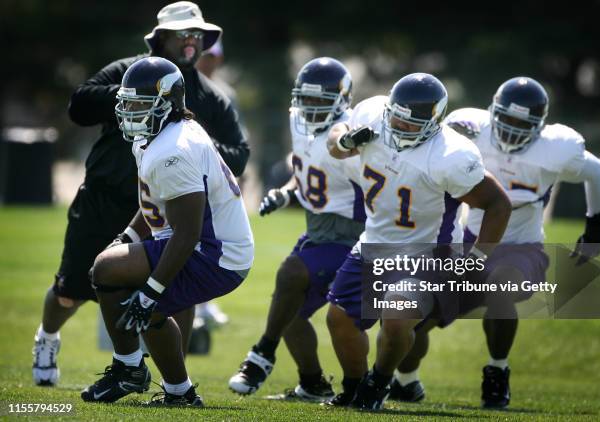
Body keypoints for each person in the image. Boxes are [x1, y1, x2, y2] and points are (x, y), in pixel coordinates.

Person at [32, 1, 249, 386]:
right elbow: (79, 105)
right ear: (160, 36)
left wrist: (197, 145)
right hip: (107, 198)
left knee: (173, 297)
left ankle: (171, 379)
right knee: (72, 289)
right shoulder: (127, 71)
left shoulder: (207, 99)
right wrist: (136, 94)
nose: (191, 40)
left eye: (197, 34)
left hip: (172, 211)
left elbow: (239, 154)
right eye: (183, 32)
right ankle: (48, 339)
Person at [392, 76, 600, 409]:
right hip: (467, 241)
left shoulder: (556, 148)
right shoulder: (469, 129)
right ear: (493, 112)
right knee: (416, 316)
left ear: (539, 125)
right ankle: (406, 382)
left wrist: (594, 228)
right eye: (506, 119)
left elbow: (595, 172)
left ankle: (497, 372)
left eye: (522, 123)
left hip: (522, 246)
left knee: (501, 286)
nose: (511, 129)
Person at [324, 73, 512, 410]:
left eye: (411, 124)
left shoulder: (450, 155)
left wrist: (477, 259)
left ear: (434, 122)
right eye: (396, 118)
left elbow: (498, 204)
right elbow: (335, 140)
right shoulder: (372, 114)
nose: (400, 127)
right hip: (375, 241)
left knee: (397, 321)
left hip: (427, 251)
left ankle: (378, 383)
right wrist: (345, 141)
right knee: (338, 319)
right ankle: (353, 387)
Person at [80, 56, 253, 406]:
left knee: (108, 271)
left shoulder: (174, 150)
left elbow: (187, 233)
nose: (129, 112)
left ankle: (129, 369)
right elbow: (154, 204)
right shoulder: (159, 135)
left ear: (166, 103)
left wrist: (151, 290)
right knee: (140, 301)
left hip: (214, 253)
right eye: (126, 104)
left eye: (138, 104)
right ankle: (180, 393)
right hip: (210, 246)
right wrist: (126, 239)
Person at [228, 57, 364, 402]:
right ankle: (312, 383)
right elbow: (307, 169)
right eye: (307, 99)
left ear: (342, 100)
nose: (312, 108)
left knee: (290, 274)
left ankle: (261, 353)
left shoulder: (349, 135)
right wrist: (287, 192)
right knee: (289, 312)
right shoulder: (299, 123)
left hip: (353, 235)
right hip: (317, 232)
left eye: (321, 100)